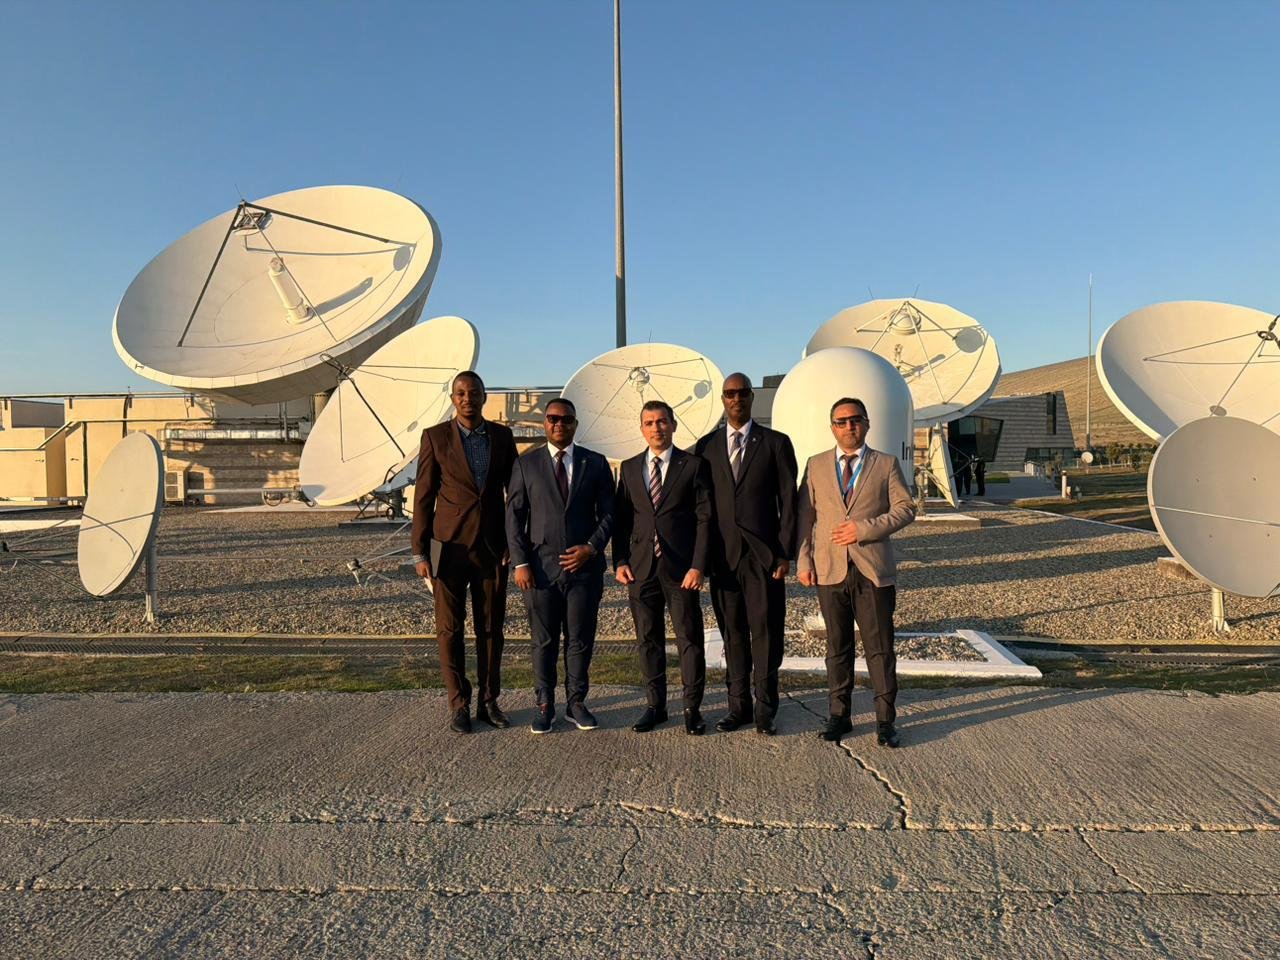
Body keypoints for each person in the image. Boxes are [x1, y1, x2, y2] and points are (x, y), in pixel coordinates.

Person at [797, 397, 915, 748]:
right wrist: (803, 560)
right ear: (832, 427)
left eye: (856, 419)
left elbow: (906, 509)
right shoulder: (816, 465)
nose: (849, 426)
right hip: (829, 569)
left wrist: (862, 529)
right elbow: (806, 516)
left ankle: (885, 721)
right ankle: (839, 715)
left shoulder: (885, 464)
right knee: (837, 646)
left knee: (880, 648)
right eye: (842, 421)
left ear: (866, 423)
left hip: (872, 570)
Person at [411, 371, 518, 734]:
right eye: (460, 393)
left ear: (484, 396)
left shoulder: (502, 437)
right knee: (449, 630)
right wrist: (419, 552)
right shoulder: (436, 437)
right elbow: (423, 497)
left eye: (474, 393)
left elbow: (515, 495)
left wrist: (513, 542)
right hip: (448, 549)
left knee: (491, 629)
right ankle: (458, 703)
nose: (467, 398)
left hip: (491, 549)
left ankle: (489, 702)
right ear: (453, 399)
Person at [694, 373, 797, 736]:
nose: (736, 398)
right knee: (733, 634)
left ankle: (765, 709)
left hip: (763, 558)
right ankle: (738, 707)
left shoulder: (775, 443)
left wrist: (784, 553)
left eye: (742, 393)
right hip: (723, 559)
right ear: (723, 399)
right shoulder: (705, 447)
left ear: (752, 397)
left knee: (766, 633)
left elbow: (789, 501)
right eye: (730, 394)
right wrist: (700, 558)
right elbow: (701, 507)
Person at [505, 398, 615, 734]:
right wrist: (521, 562)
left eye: (566, 419)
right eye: (553, 418)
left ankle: (576, 703)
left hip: (583, 569)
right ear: (544, 423)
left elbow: (609, 513)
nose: (559, 424)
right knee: (544, 641)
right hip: (540, 570)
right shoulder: (527, 464)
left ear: (575, 424)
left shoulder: (595, 463)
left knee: (579, 639)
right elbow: (514, 517)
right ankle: (545, 704)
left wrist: (591, 548)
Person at [613, 400, 713, 735]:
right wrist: (620, 561)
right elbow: (622, 519)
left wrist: (698, 565)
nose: (656, 428)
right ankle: (655, 707)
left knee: (689, 639)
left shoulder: (693, 465)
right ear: (642, 428)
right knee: (648, 639)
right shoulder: (629, 468)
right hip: (640, 569)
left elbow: (704, 519)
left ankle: (691, 708)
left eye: (662, 421)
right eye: (649, 423)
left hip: (681, 570)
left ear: (673, 424)